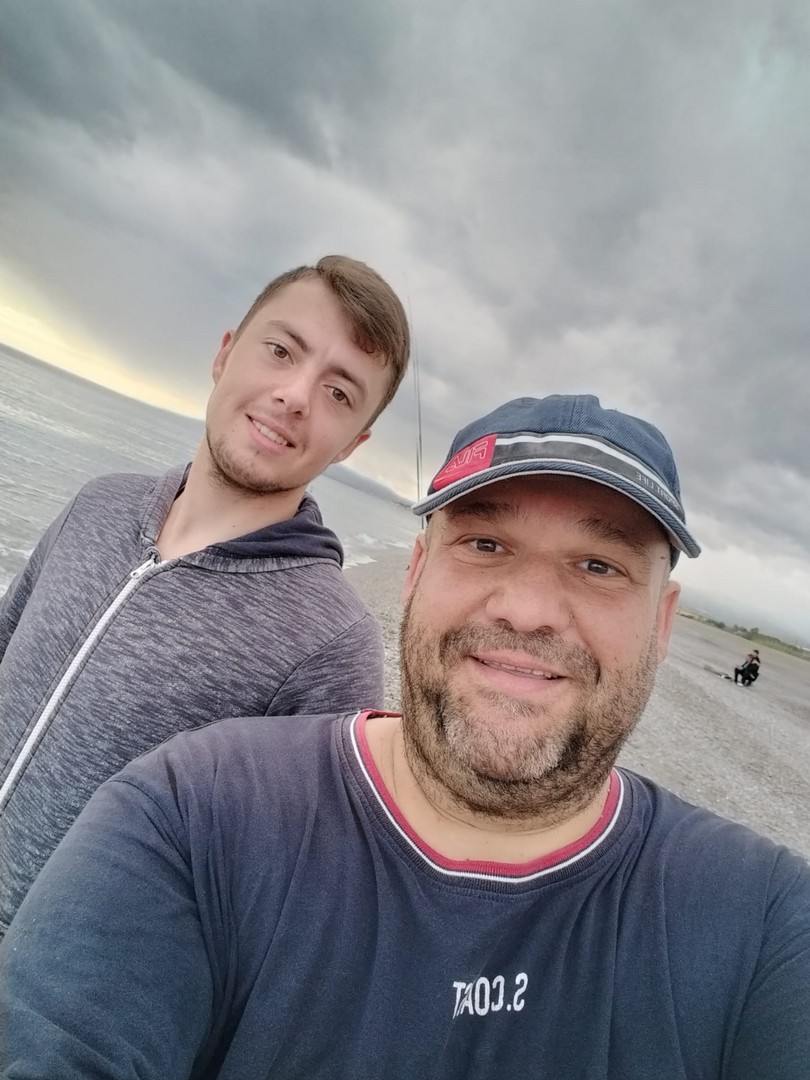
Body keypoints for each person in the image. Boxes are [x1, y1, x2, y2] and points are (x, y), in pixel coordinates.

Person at [2, 394, 808, 1079]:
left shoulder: (764, 926)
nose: (528, 610)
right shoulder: (191, 813)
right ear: (417, 571)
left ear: (662, 623)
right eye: (485, 544)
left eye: (599, 566)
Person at [0, 254, 410, 936]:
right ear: (224, 354)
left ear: (353, 444)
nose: (296, 395)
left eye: (339, 392)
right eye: (281, 351)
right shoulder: (97, 505)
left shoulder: (331, 644)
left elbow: (282, 905)